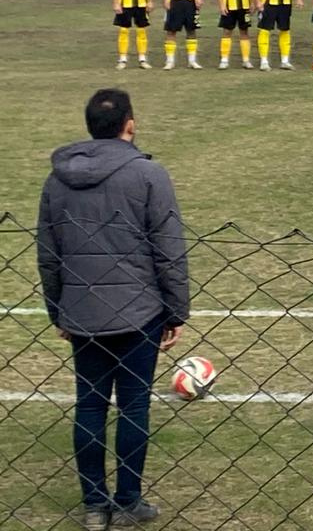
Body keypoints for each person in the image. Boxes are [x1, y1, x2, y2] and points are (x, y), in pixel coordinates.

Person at [37, 88, 189, 530]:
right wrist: (176, 310)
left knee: (89, 406)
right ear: (130, 123)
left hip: (83, 312)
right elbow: (169, 249)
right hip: (140, 312)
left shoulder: (57, 179)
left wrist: (58, 310)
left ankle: (93, 506)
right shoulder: (148, 175)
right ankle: (126, 502)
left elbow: (48, 252)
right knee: (133, 406)